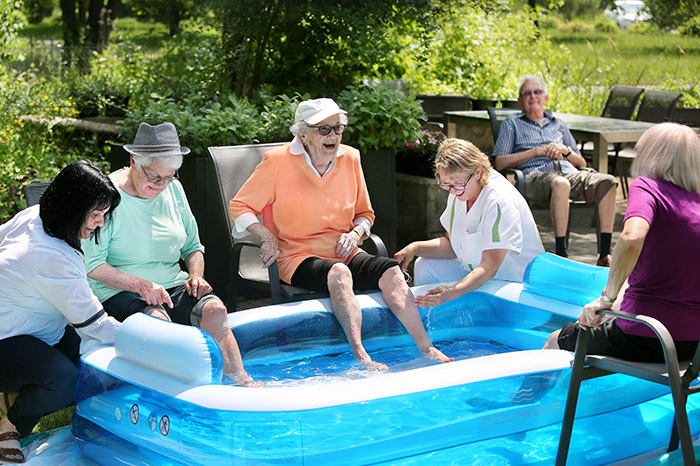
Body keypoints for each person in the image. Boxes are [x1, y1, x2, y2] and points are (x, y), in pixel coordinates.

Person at [229, 98, 452, 370]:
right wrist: (265, 236)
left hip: (345, 251)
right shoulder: (277, 162)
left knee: (392, 270)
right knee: (339, 273)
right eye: (324, 129)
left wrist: (357, 232)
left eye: (338, 128)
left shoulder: (350, 158)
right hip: (297, 256)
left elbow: (365, 213)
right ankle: (361, 355)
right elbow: (239, 205)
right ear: (303, 134)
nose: (333, 135)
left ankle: (426, 347)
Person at [82, 122, 259, 387]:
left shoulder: (174, 189)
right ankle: (175, 396)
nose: (162, 185)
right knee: (157, 322)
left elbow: (193, 247)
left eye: (170, 176)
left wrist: (196, 276)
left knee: (215, 310)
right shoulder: (107, 197)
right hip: (119, 291)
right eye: (155, 177)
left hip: (170, 285)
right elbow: (91, 264)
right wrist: (141, 285)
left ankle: (242, 384)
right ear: (133, 162)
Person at [544, 122, 700, 362]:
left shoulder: (648, 187)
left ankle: (523, 400)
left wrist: (605, 299)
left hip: (647, 335)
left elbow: (632, 237)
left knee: (556, 340)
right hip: (693, 346)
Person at [0, 160, 122, 463]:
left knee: (91, 368)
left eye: (104, 215)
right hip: (7, 338)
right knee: (65, 381)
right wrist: (145, 339)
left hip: (33, 330)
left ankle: (13, 398)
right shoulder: (50, 255)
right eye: (95, 214)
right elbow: (95, 325)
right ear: (72, 207)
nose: (100, 223)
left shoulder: (36, 215)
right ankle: (10, 424)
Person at [394, 138, 543, 307]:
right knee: (424, 264)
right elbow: (453, 245)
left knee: (454, 294)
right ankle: (431, 320)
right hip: (478, 272)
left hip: (513, 283)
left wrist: (452, 292)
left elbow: (490, 266)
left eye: (457, 184)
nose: (452, 190)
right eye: (446, 184)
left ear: (478, 172)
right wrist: (416, 247)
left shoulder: (499, 200)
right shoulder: (459, 192)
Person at [492, 75, 618, 267]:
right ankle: (562, 254)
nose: (533, 97)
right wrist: (536, 151)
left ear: (546, 99)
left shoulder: (557, 123)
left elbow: (580, 160)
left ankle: (604, 254)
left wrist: (564, 151)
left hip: (568, 172)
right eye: (527, 93)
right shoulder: (513, 123)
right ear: (520, 100)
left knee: (608, 181)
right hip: (535, 177)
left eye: (538, 92)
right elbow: (500, 162)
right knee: (561, 183)